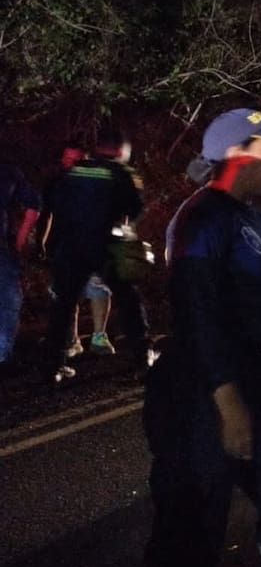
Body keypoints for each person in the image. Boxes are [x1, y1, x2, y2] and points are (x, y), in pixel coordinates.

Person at [142, 108, 261, 567]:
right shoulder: (201, 220)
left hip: (258, 382)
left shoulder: (254, 220)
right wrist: (227, 402)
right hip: (204, 392)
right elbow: (198, 311)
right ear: (237, 154)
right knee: (192, 525)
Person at [42, 129, 149, 384]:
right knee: (129, 302)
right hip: (107, 248)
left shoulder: (72, 173)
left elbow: (54, 205)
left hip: (71, 249)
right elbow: (135, 210)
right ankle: (143, 360)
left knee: (63, 307)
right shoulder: (122, 174)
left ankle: (53, 366)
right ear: (121, 151)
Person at [38, 145, 116, 359]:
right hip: (63, 245)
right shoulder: (55, 184)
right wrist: (41, 241)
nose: (71, 163)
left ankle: (100, 336)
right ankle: (72, 340)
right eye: (67, 158)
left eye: (77, 159)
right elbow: (46, 214)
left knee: (97, 288)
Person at [0, 161, 41, 371]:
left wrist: (17, 243)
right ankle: (2, 353)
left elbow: (34, 204)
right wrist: (18, 242)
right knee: (7, 300)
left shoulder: (8, 171)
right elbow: (34, 205)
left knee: (8, 299)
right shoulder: (8, 170)